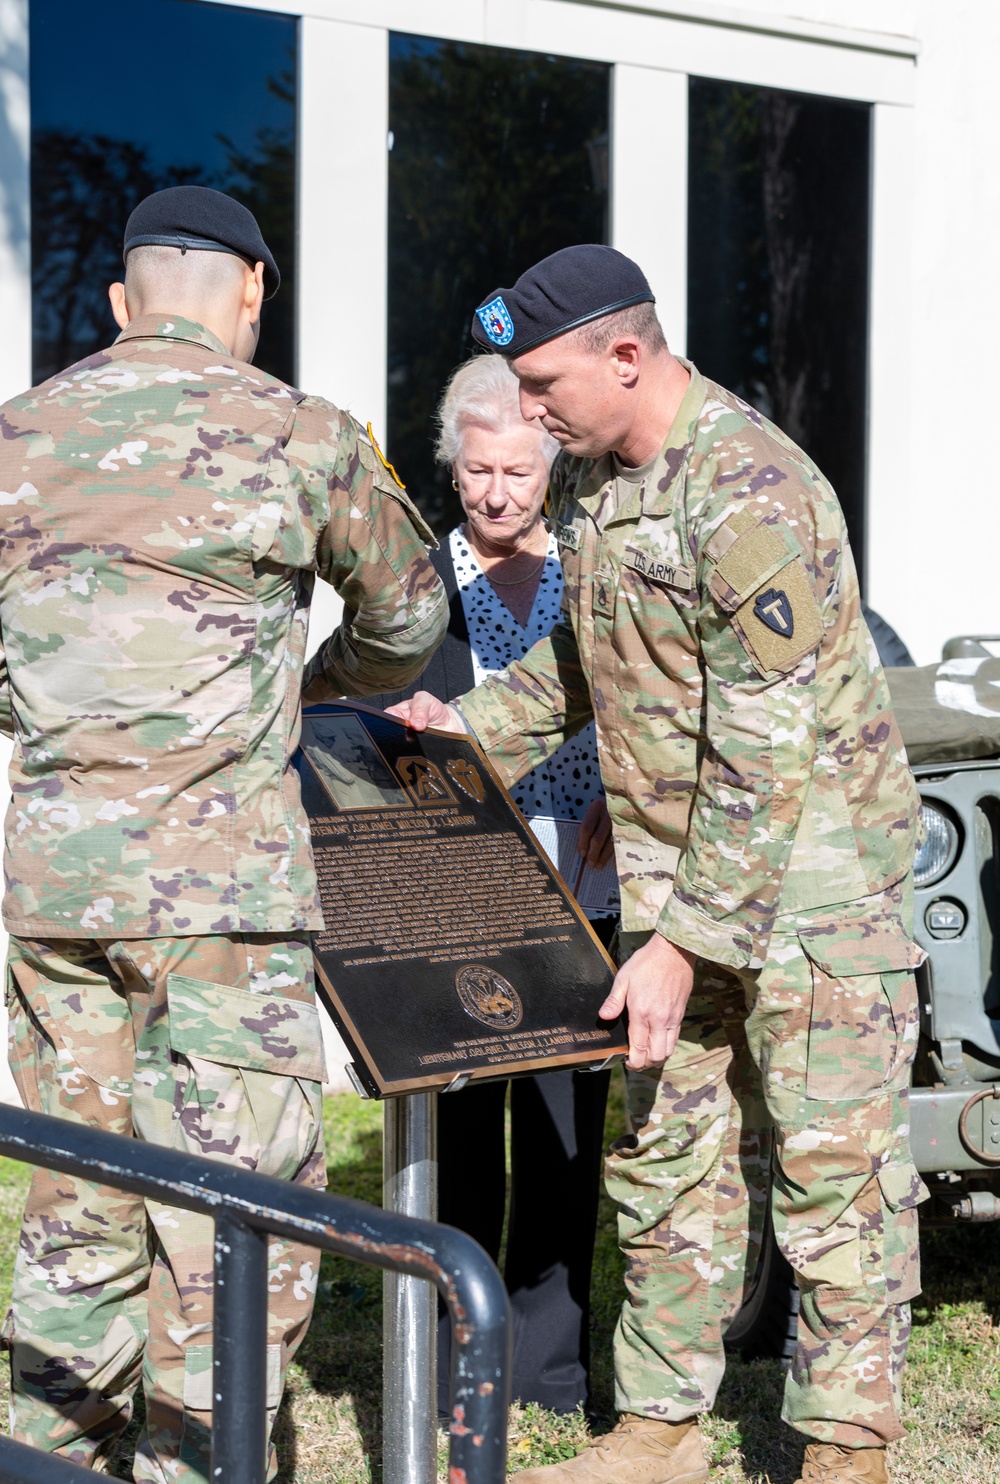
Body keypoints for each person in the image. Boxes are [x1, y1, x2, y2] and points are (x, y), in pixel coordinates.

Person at [392, 245, 924, 1484]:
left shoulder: (750, 492)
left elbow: (763, 744)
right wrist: (467, 725)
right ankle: (657, 1429)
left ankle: (847, 1447)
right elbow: (588, 665)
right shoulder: (595, 490)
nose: (529, 412)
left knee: (830, 1175)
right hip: (681, 886)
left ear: (624, 357)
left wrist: (681, 940)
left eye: (543, 383)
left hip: (814, 899)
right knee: (663, 1158)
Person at [0, 184, 447, 1481]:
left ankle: (47, 1460)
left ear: (119, 299)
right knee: (233, 1219)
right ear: (254, 292)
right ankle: (195, 1465)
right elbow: (410, 622)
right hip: (222, 905)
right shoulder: (302, 435)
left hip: (59, 892)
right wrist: (316, 683)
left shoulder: (19, 438)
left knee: (74, 1196)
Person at [368, 352, 617, 1416]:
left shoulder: (599, 578)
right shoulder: (417, 594)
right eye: (478, 472)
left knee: (566, 1152)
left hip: (589, 897)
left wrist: (632, 797)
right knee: (459, 1152)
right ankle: (449, 1376)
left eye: (518, 471)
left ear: (552, 466)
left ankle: (548, 1374)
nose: (497, 492)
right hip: (459, 904)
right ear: (452, 468)